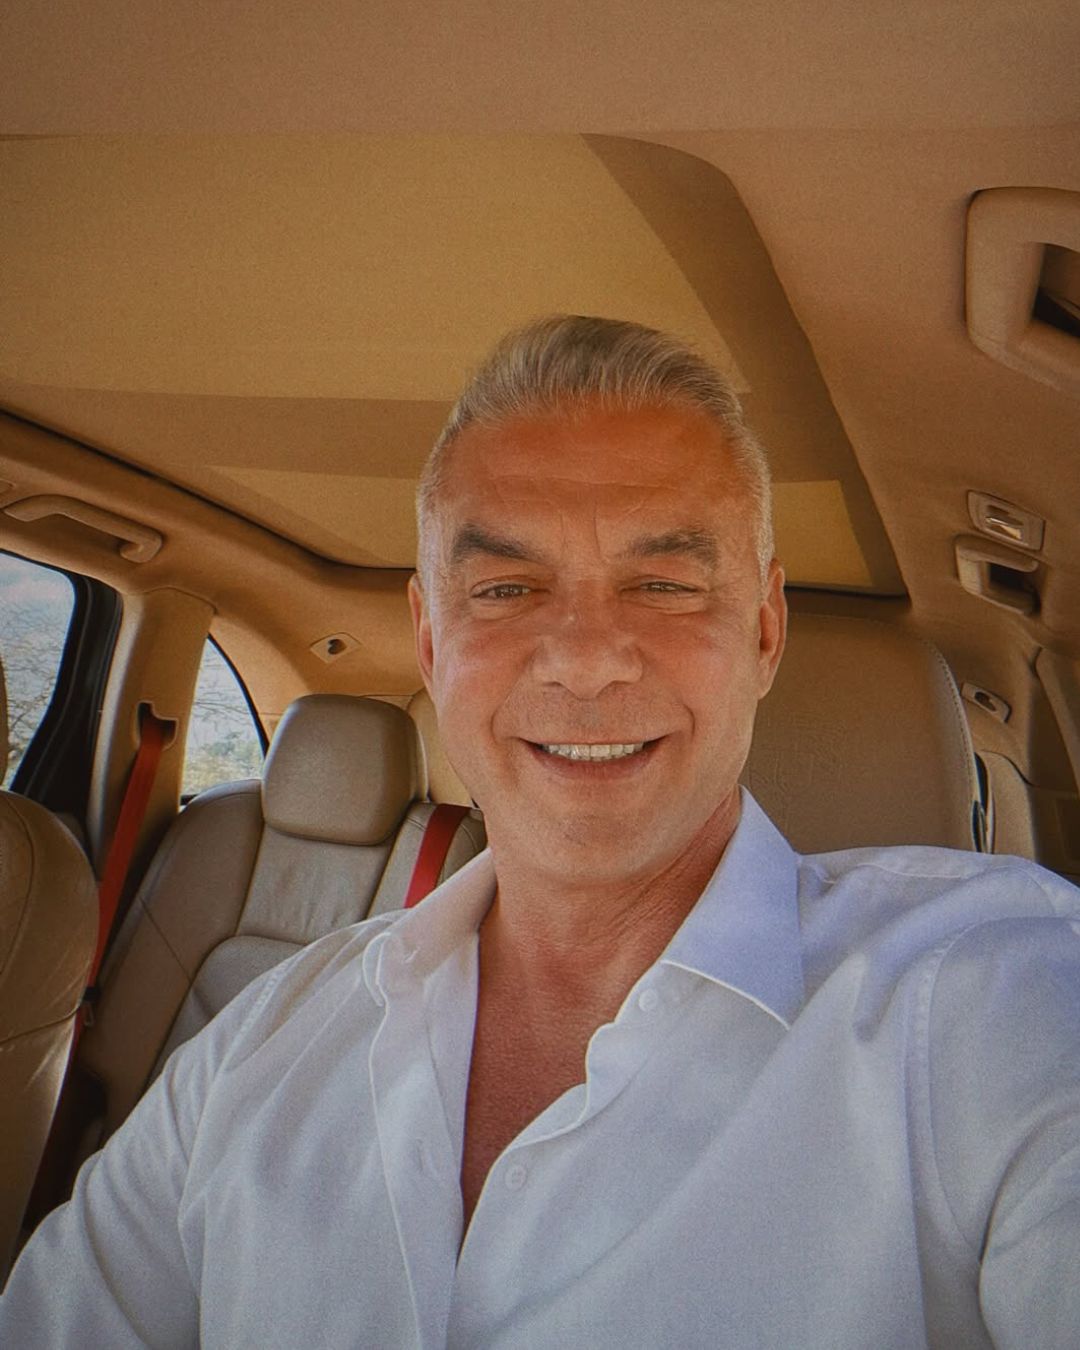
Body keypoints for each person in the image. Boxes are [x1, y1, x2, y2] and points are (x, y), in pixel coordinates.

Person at [3, 315, 1079, 1347]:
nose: (585, 658)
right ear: (432, 643)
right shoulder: (253, 1051)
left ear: (763, 631)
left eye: (663, 583)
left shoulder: (996, 996)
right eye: (508, 587)